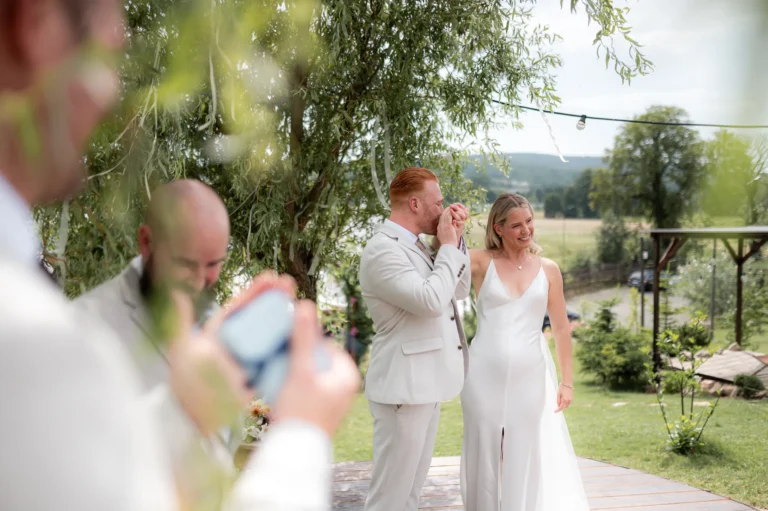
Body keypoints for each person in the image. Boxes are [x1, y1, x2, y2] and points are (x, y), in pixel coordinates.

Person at [0, 0, 359, 510]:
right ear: (37, 24)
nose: (113, 91)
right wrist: (302, 433)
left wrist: (187, 409)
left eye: (215, 265)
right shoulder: (38, 337)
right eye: (108, 45)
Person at [460, 193, 589, 511]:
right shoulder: (479, 261)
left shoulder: (549, 270)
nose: (526, 230)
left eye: (529, 221)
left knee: (524, 454)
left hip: (530, 379)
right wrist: (451, 228)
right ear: (498, 228)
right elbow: (443, 268)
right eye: (516, 225)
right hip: (482, 377)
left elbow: (561, 328)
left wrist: (567, 382)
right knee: (483, 453)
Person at [358, 167, 470, 511]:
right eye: (438, 203)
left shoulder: (417, 246)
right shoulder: (382, 250)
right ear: (415, 204)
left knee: (409, 494)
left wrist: (454, 241)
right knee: (389, 497)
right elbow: (431, 301)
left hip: (424, 384)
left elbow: (458, 290)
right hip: (402, 388)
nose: (443, 210)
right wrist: (447, 248)